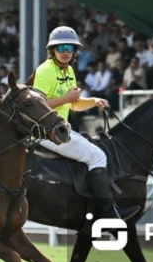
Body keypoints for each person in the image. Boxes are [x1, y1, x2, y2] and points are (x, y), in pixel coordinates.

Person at [32, 26, 140, 221]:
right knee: (98, 157)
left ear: (75, 51)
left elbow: (73, 104)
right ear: (52, 50)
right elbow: (36, 105)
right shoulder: (45, 71)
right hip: (45, 132)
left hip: (61, 129)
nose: (65, 52)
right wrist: (66, 98)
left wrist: (93, 101)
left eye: (69, 48)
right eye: (61, 47)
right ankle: (107, 211)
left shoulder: (69, 71)